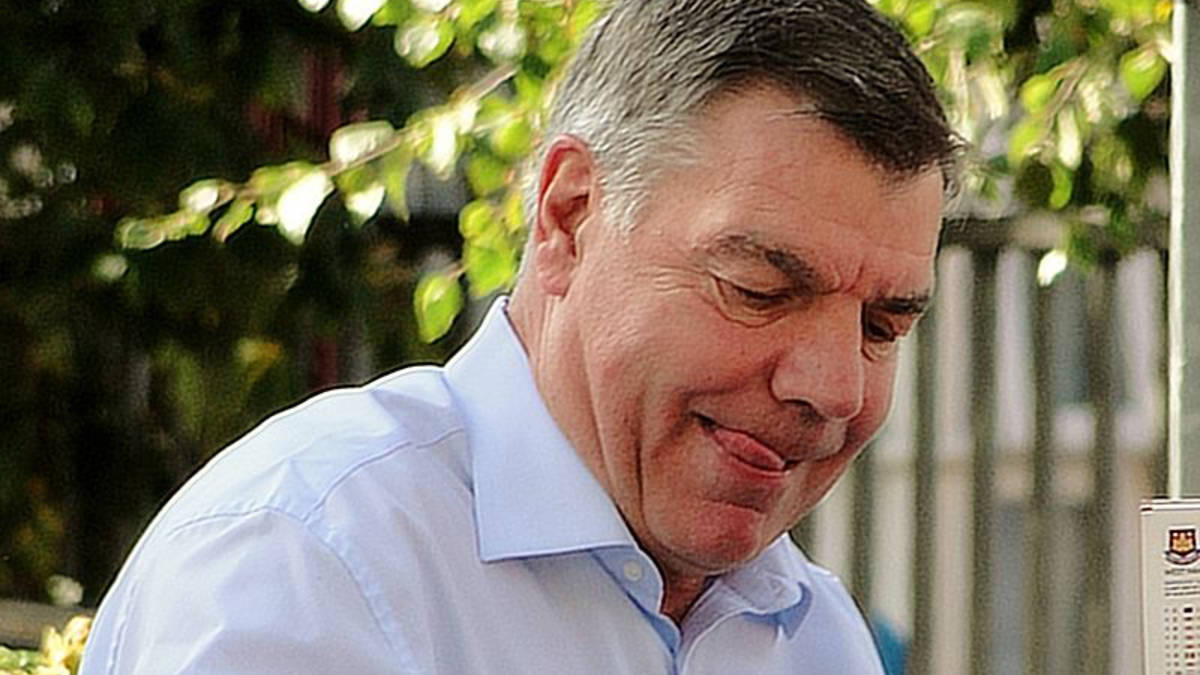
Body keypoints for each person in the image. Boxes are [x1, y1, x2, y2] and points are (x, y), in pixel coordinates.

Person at [80, 0, 960, 672]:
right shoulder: (309, 559)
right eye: (759, 289)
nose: (834, 385)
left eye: (881, 327)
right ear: (569, 218)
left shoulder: (816, 636)